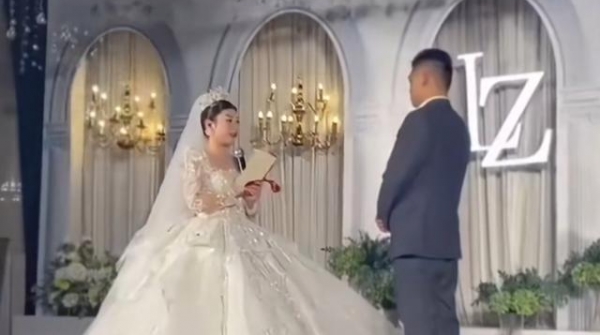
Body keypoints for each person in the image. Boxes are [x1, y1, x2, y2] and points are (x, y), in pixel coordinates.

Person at [84, 88, 397, 335]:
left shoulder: (238, 159)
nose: (234, 127)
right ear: (209, 125)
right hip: (205, 235)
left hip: (242, 232)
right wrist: (234, 191)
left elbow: (247, 208)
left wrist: (251, 196)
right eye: (228, 120)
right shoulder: (195, 158)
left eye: (236, 121)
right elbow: (197, 203)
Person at [376, 49, 471, 335]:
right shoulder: (459, 127)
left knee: (418, 325)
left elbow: (397, 173)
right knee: (444, 324)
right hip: (445, 245)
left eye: (411, 81)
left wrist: (383, 212)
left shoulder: (418, 120)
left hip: (415, 243)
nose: (410, 89)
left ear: (425, 78)